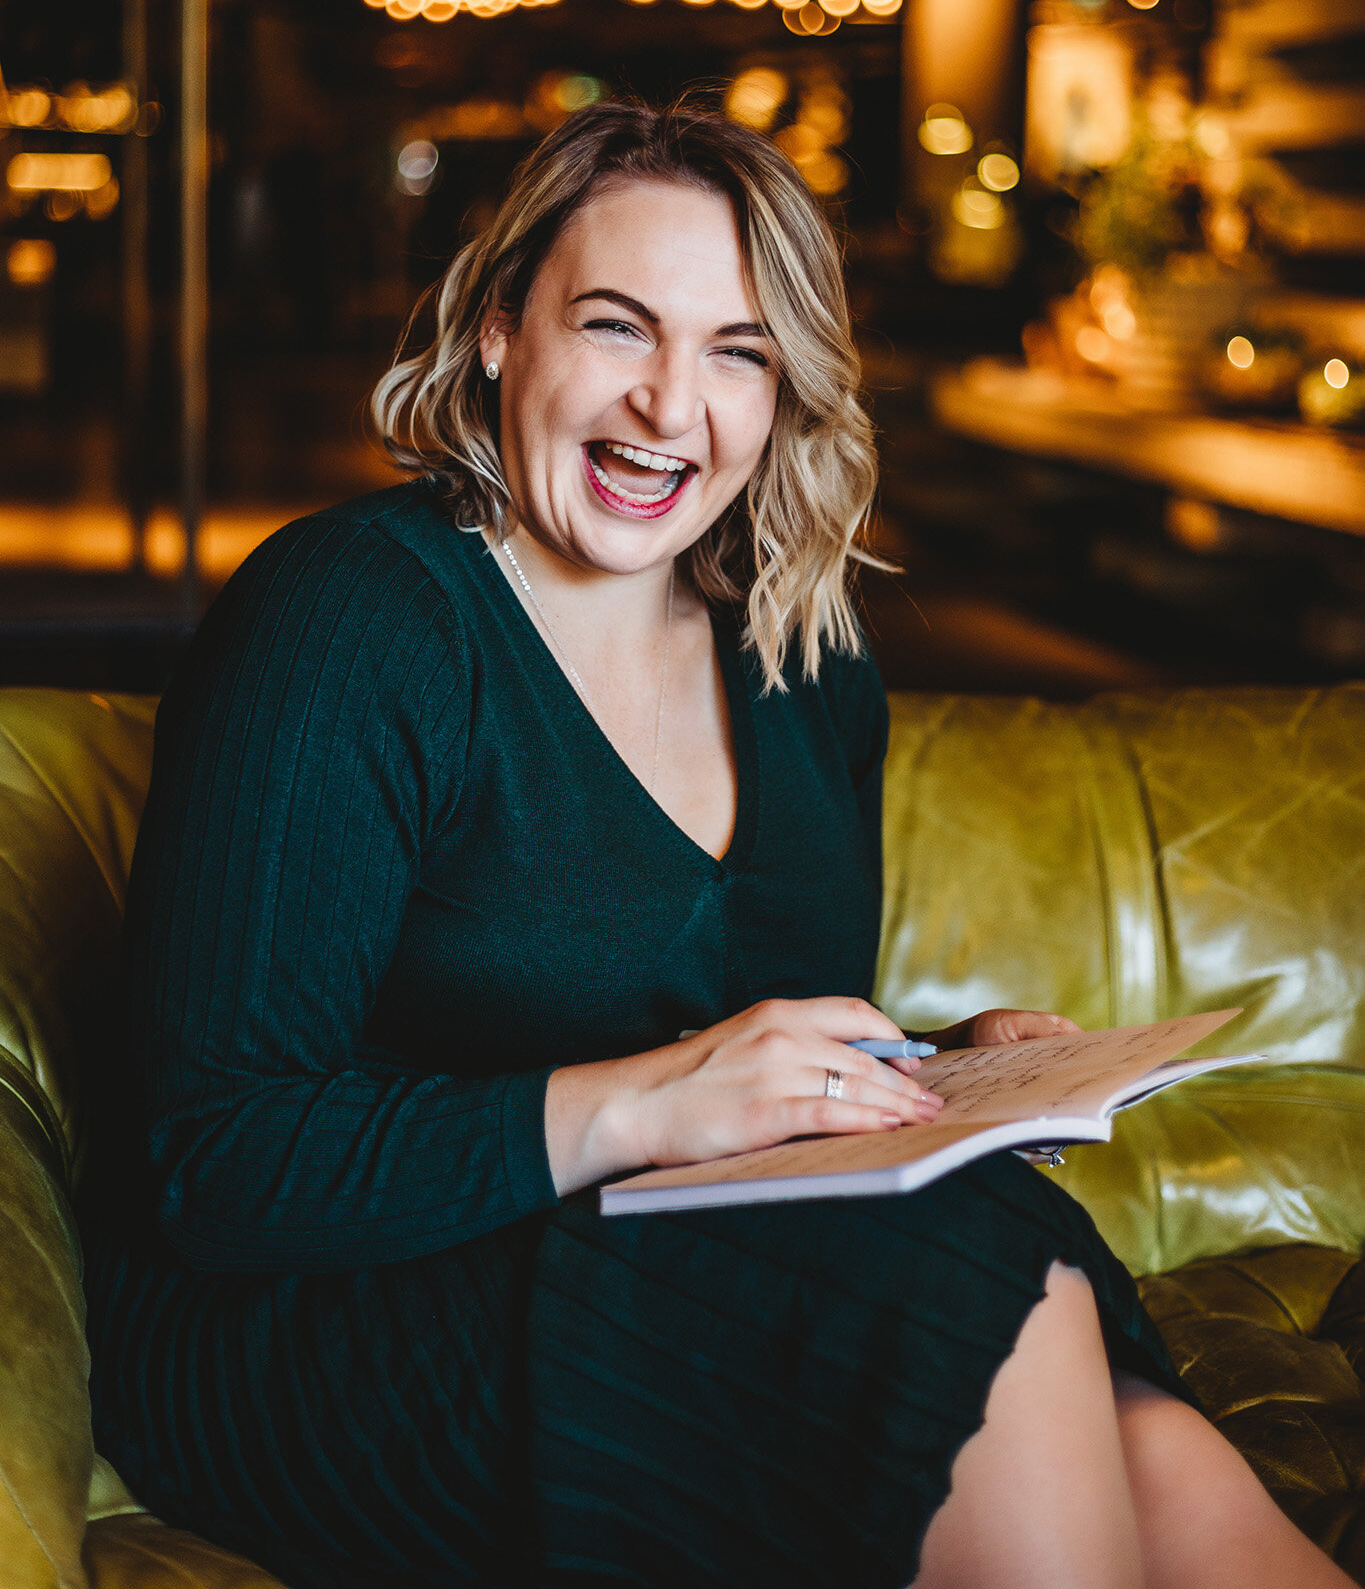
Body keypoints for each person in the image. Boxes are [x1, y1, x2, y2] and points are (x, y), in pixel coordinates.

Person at [83, 101, 1352, 1589]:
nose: (669, 411)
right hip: (325, 1315)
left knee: (1063, 1328)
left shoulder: (803, 661)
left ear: (785, 387)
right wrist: (648, 1105)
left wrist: (933, 1069)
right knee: (953, 1277)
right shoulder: (353, 619)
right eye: (617, 328)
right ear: (499, 330)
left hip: (638, 1246)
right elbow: (213, 1161)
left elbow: (702, 1062)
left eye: (735, 352)